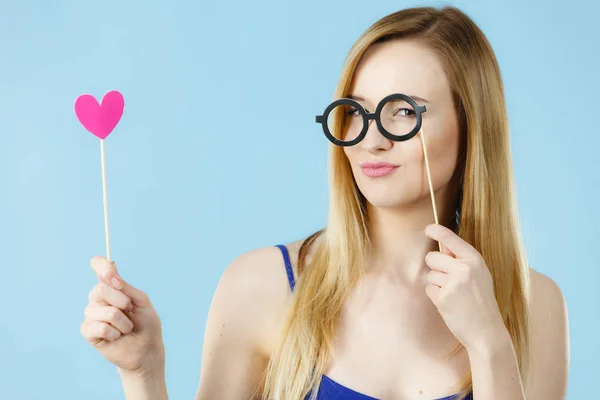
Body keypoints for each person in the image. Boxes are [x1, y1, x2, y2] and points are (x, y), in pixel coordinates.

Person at [80, 5, 569, 400]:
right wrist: (143, 374)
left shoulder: (536, 305)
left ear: (471, 125)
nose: (370, 140)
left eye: (403, 112)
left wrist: (488, 344)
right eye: (355, 111)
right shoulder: (262, 286)